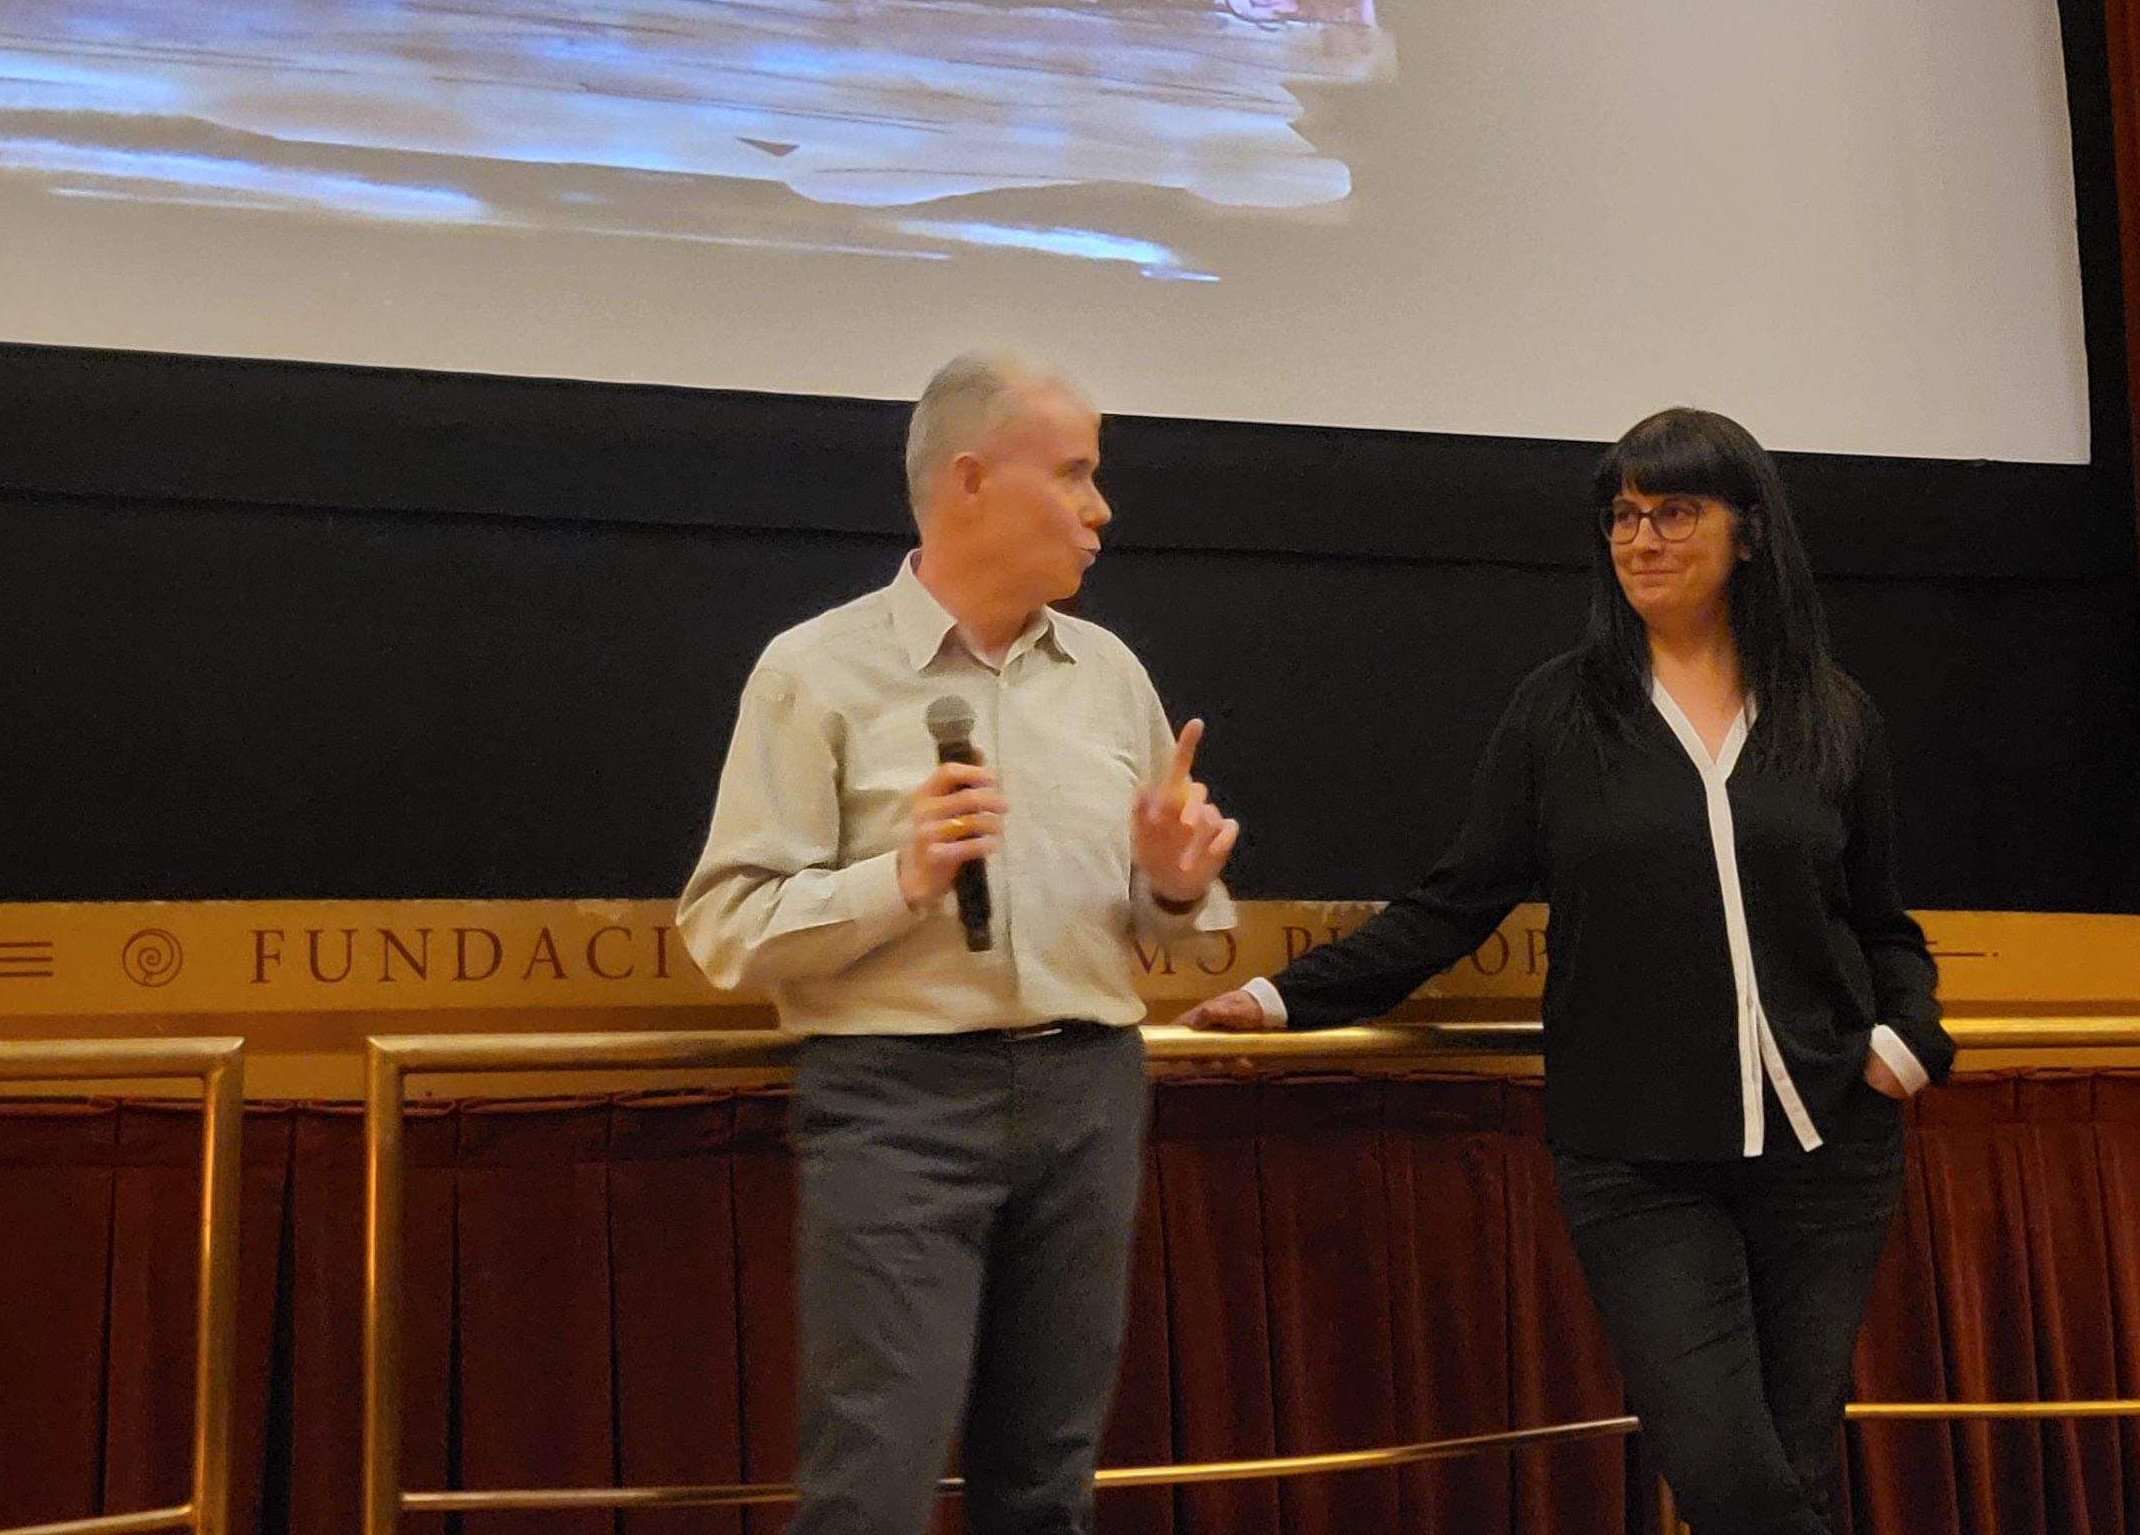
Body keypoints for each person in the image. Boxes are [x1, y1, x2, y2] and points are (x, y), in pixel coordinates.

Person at [1184, 405, 1947, 1535]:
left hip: (1829, 1152)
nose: (1640, 539)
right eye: (1622, 516)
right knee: (1726, 1472)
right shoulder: (1560, 712)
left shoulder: (1833, 715)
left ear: (1747, 532)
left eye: (1673, 512)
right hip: (1637, 1162)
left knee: (1797, 1466)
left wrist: (1907, 1041)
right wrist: (1282, 996)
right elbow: (1456, 903)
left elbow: (1881, 923)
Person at [677, 351, 1240, 1535]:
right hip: (895, 1104)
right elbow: (725, 926)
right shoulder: (813, 672)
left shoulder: (1108, 676)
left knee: (1046, 1481)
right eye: (1074, 473)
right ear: (971, 479)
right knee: (872, 1478)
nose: (1100, 509)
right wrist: (899, 879)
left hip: (1088, 1094)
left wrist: (1175, 885)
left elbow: (1170, 928)